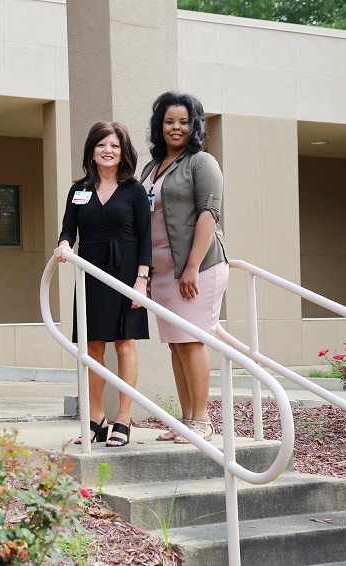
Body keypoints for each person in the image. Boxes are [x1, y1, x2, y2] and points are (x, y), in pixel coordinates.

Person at [54, 121, 152, 448]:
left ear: (123, 152)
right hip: (91, 272)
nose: (107, 151)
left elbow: (146, 239)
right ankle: (96, 418)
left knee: (125, 344)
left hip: (127, 274)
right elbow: (68, 229)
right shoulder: (78, 190)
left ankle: (124, 418)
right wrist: (65, 245)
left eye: (114, 145)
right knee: (93, 347)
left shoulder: (134, 190)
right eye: (101, 145)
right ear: (92, 152)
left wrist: (142, 280)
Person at [140, 92, 228, 443]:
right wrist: (144, 272)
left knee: (191, 342)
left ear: (194, 125)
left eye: (182, 121)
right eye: (168, 121)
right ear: (159, 126)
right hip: (162, 274)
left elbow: (209, 213)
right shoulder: (151, 168)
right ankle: (186, 421)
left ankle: (202, 421)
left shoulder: (201, 162)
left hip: (198, 269)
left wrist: (191, 266)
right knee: (176, 344)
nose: (175, 127)